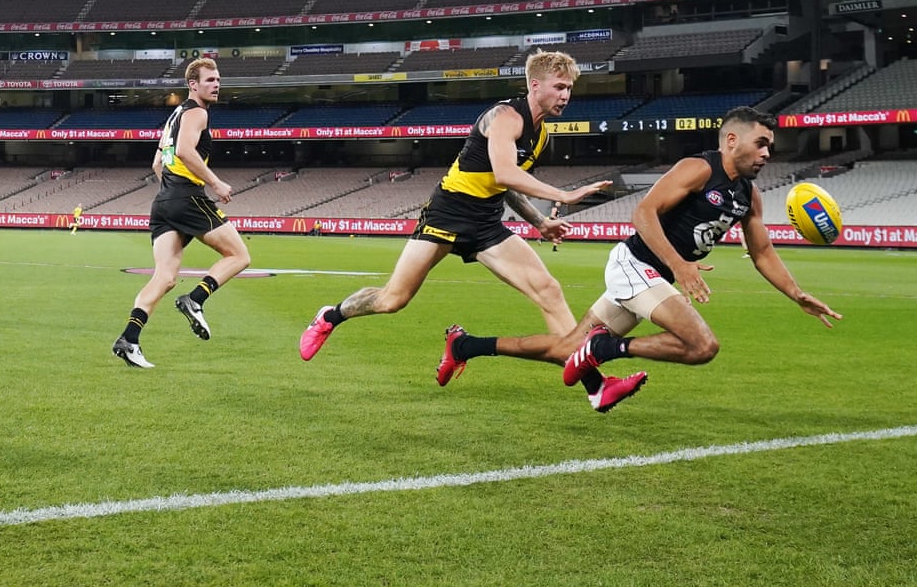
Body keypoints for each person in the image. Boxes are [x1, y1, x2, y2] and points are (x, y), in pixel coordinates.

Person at [298, 49, 647, 413]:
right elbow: (505, 173)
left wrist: (540, 222)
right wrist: (563, 195)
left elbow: (503, 185)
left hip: (485, 222)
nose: (566, 95)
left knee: (548, 290)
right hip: (447, 213)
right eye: (559, 87)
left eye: (569, 88)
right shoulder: (505, 117)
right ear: (534, 85)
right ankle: (330, 316)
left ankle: (595, 387)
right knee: (393, 300)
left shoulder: (541, 134)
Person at [441, 107, 841, 398]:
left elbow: (763, 252)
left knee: (565, 350)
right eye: (761, 143)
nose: (767, 153)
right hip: (635, 265)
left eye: (770, 146)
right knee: (703, 346)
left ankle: (465, 345)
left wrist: (796, 294)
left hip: (651, 276)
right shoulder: (700, 169)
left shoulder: (748, 196)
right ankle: (603, 349)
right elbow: (643, 213)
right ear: (732, 140)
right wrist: (680, 265)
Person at [112, 58, 251, 368]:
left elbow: (157, 163)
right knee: (239, 256)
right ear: (193, 85)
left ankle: (129, 339)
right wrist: (215, 183)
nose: (217, 84)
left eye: (218, 79)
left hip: (164, 202)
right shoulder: (197, 112)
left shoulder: (174, 115)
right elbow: (185, 151)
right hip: (186, 197)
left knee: (164, 277)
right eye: (210, 80)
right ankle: (196, 299)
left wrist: (171, 191)